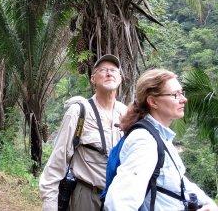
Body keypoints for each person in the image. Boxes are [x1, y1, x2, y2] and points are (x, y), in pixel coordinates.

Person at [104, 69, 218, 211]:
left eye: (182, 93)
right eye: (175, 95)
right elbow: (119, 203)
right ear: (153, 101)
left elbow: (180, 183)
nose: (184, 99)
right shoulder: (145, 141)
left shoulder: (161, 138)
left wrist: (209, 204)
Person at [39, 54, 127, 211]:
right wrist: (49, 204)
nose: (109, 73)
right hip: (87, 197)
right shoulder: (79, 112)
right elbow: (58, 160)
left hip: (119, 199)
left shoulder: (125, 113)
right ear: (93, 79)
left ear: (120, 78)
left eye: (114, 70)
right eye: (103, 70)